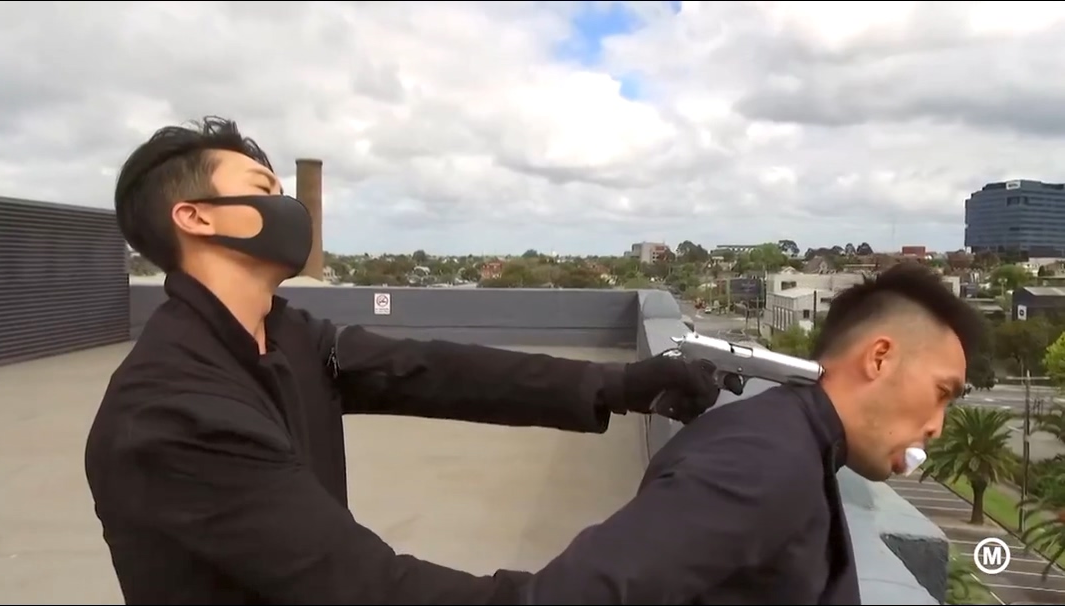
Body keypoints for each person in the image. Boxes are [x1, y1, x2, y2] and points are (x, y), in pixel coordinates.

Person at [84, 116, 725, 605]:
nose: (289, 208)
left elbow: (433, 370)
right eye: (263, 191)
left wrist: (618, 384)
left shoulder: (286, 334)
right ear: (194, 217)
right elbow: (363, 587)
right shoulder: (173, 415)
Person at [519, 262, 984, 604]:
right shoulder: (764, 463)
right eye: (941, 393)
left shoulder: (791, 441)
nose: (937, 426)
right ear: (879, 358)